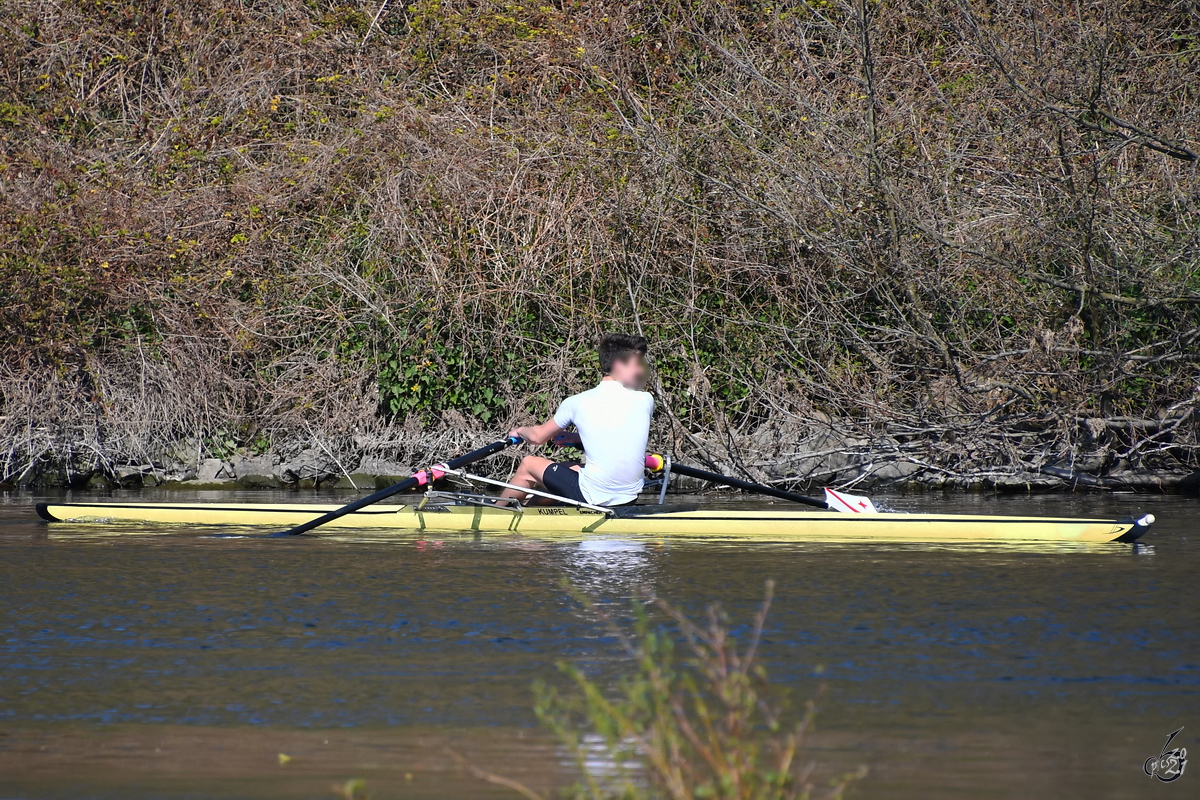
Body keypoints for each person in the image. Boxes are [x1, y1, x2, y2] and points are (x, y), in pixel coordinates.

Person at [500, 333, 654, 507]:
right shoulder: (646, 400)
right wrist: (576, 439)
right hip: (629, 496)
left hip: (596, 496)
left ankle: (496, 512)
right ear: (618, 365)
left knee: (528, 464)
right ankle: (531, 510)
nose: (641, 370)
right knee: (568, 468)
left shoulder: (577, 402)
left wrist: (520, 431)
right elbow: (618, 433)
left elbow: (537, 437)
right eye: (636, 364)